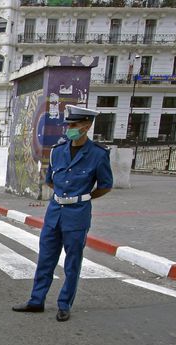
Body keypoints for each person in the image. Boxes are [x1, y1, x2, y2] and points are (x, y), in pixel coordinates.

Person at [13, 105, 113, 322]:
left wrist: (83, 198)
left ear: (86, 126)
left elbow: (105, 185)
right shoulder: (59, 151)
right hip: (54, 212)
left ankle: (64, 304)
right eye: (68, 124)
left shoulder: (97, 154)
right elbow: (50, 179)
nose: (69, 129)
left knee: (72, 262)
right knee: (45, 260)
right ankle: (36, 300)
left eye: (74, 125)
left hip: (77, 215)